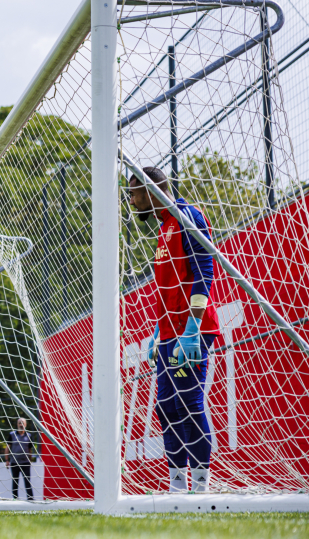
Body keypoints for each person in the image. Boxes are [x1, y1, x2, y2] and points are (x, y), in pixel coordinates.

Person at [127, 166, 219, 493]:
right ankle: (177, 488)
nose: (132, 201)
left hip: (188, 331)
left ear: (152, 192)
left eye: (135, 194)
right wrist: (156, 331)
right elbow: (169, 287)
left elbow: (204, 270)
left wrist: (192, 327)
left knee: (188, 402)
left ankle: (200, 486)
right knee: (166, 407)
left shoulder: (186, 216)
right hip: (168, 334)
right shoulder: (164, 227)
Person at [4, 418, 36, 500]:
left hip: (25, 463)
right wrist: (7, 460)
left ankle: (31, 499)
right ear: (17, 424)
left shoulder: (29, 436)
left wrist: (30, 460)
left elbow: (30, 449)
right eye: (19, 423)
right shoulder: (12, 434)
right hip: (15, 462)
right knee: (15, 482)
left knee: (27, 482)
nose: (21, 424)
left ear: (25, 425)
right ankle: (15, 499)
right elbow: (7, 447)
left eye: (22, 423)